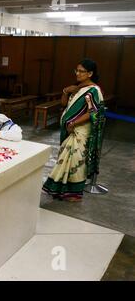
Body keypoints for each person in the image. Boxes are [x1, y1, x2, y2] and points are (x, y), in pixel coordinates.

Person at [42, 59, 105, 202]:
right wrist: (65, 91)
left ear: (90, 73)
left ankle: (74, 193)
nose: (77, 73)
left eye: (81, 71)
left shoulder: (94, 90)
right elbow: (64, 104)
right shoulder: (78, 87)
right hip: (69, 130)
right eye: (76, 70)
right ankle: (61, 189)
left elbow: (93, 112)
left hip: (80, 131)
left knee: (76, 161)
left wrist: (74, 123)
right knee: (64, 160)